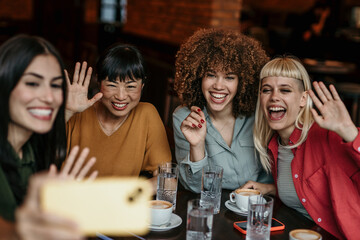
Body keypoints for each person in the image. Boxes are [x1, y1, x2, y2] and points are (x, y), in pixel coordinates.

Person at [242, 55, 360, 239]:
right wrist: (269, 188)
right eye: (267, 90)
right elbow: (304, 185)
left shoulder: (325, 134)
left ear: (303, 99)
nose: (274, 97)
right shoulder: (275, 144)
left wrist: (350, 132)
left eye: (285, 90)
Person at [0, 35, 98, 239]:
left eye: (55, 85)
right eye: (33, 83)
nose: (49, 97)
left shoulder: (29, 149)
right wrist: (21, 232)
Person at [172, 28, 273, 193]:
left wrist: (268, 188)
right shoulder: (185, 118)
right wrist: (197, 145)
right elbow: (194, 187)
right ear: (199, 77)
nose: (218, 86)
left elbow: (273, 174)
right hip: (211, 205)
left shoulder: (258, 115)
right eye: (211, 75)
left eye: (229, 77)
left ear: (243, 82)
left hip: (255, 205)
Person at [65, 44, 171, 182]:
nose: (121, 96)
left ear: (142, 85)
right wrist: (67, 112)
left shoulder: (146, 114)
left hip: (121, 202)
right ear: (98, 81)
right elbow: (39, 157)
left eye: (131, 86)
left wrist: (121, 195)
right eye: (112, 85)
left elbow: (168, 179)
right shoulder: (77, 112)